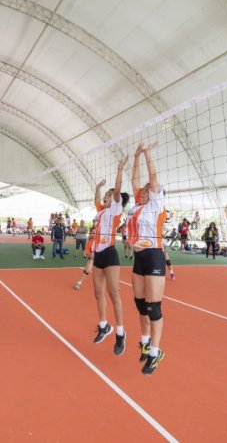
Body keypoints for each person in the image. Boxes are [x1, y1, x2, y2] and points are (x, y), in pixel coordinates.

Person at [126, 142, 168, 374]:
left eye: (145, 191)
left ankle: (155, 351)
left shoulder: (156, 204)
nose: (142, 192)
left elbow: (152, 177)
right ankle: (144, 343)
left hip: (153, 257)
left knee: (153, 308)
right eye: (140, 192)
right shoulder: (136, 207)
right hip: (139, 258)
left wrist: (148, 154)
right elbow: (135, 181)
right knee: (141, 306)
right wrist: (135, 158)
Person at [90, 155, 129, 356]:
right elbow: (97, 199)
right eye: (107, 195)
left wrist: (120, 170)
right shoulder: (101, 210)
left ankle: (121, 332)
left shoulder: (114, 210)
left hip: (110, 253)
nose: (107, 197)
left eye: (110, 195)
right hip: (98, 255)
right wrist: (97, 187)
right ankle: (104, 325)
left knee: (114, 293)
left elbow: (116, 190)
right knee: (98, 292)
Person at [75, 224, 96, 290]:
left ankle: (113, 285)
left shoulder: (101, 240)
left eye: (95, 232)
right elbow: (87, 252)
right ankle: (79, 283)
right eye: (93, 232)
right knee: (87, 270)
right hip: (93, 258)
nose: (94, 233)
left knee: (107, 271)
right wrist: (91, 255)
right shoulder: (90, 242)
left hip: (102, 258)